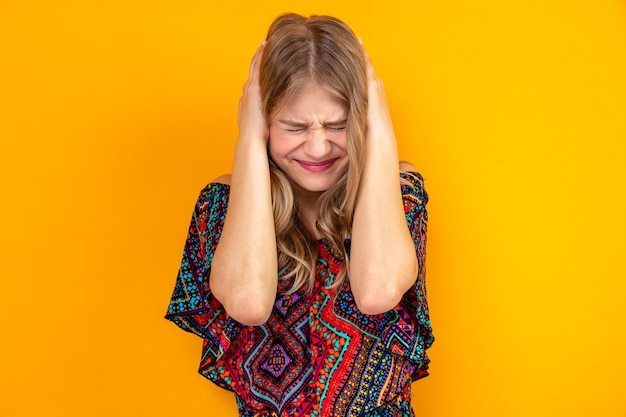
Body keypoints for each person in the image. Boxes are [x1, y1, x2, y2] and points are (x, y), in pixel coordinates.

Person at [165, 13, 433, 417]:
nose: (318, 147)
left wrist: (378, 127)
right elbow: (248, 303)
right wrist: (250, 138)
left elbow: (376, 292)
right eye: (293, 127)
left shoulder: (397, 192)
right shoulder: (221, 203)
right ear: (263, 118)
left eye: (338, 124)